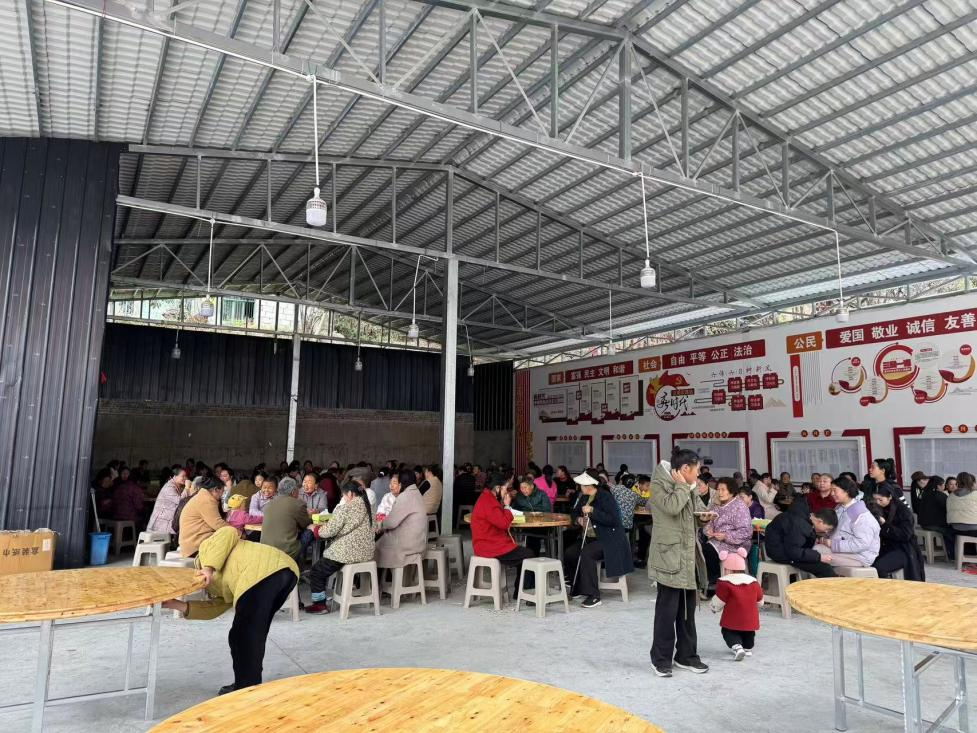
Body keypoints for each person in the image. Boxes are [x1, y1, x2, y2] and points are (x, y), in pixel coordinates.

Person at [162, 527, 297, 695]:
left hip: (261, 572)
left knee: (243, 637)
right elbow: (216, 607)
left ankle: (245, 689)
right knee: (250, 634)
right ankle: (248, 684)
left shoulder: (205, 551)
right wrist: (175, 604)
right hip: (285, 572)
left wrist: (208, 568)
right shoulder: (216, 583)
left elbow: (228, 531)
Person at [648, 448, 710, 678]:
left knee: (687, 610)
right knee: (667, 611)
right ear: (685, 468)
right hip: (669, 556)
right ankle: (660, 659)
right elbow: (672, 507)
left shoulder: (688, 486)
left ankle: (686, 655)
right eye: (697, 470)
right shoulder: (659, 484)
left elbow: (694, 512)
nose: (699, 475)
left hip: (687, 554)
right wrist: (683, 487)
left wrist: (704, 518)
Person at [564, 471, 633, 608]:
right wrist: (578, 519)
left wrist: (593, 511)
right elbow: (574, 512)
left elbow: (613, 519)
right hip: (590, 538)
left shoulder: (605, 497)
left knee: (587, 553)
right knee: (570, 553)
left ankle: (593, 595)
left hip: (609, 539)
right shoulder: (584, 497)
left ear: (589, 485)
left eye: (582, 484)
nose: (579, 486)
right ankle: (577, 586)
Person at [305, 483, 376, 614]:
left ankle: (319, 605)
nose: (344, 498)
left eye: (344, 495)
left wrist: (314, 529)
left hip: (346, 553)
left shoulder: (346, 508)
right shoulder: (369, 507)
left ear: (350, 494)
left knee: (316, 571)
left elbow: (328, 532)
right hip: (366, 553)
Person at [470, 476, 535, 599]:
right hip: (490, 546)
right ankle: (525, 594)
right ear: (497, 488)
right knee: (528, 554)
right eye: (505, 488)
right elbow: (504, 524)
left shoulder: (487, 498)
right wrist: (507, 506)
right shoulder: (489, 502)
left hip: (489, 543)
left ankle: (520, 592)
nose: (507, 492)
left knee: (525, 553)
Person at [763, 494, 837, 578]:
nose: (826, 532)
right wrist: (819, 557)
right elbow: (794, 552)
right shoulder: (799, 524)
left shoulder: (803, 516)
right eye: (827, 529)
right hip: (781, 553)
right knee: (825, 568)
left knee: (820, 562)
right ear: (820, 521)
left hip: (784, 548)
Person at [709, 548, 763, 661]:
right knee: (749, 632)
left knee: (728, 631)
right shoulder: (753, 582)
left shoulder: (725, 583)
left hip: (732, 618)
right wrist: (755, 607)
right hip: (750, 618)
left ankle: (737, 647)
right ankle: (747, 647)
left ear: (727, 569)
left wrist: (714, 608)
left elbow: (720, 600)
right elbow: (760, 600)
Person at [816, 476, 880, 568]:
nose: (832, 493)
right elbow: (836, 530)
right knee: (813, 549)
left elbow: (862, 543)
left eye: (835, 490)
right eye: (831, 490)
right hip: (845, 551)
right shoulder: (840, 507)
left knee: (817, 554)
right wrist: (823, 537)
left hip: (860, 557)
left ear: (846, 491)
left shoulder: (859, 513)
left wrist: (832, 544)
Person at [375, 472, 428, 580]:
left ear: (401, 483)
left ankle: (379, 583)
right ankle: (389, 580)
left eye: (397, 483)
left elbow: (391, 522)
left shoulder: (405, 496)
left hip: (407, 545)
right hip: (418, 541)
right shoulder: (416, 493)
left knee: (374, 548)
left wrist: (380, 524)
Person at [702, 477, 753, 585]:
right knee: (699, 548)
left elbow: (746, 531)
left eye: (723, 490)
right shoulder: (716, 506)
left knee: (708, 550)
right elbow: (708, 523)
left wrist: (726, 536)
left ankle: (714, 583)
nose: (719, 493)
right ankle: (706, 581)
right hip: (716, 541)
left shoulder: (740, 506)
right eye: (718, 490)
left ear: (731, 491)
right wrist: (708, 530)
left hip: (736, 544)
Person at [872, 485, 925, 581]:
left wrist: (885, 525)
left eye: (880, 499)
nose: (877, 502)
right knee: (868, 564)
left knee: (878, 567)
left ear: (890, 497)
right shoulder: (878, 508)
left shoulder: (903, 511)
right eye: (875, 499)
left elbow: (905, 535)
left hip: (903, 549)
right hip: (886, 547)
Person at [260, 477, 312, 561]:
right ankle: (299, 564)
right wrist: (310, 516)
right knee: (310, 532)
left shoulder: (269, 504)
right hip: (287, 552)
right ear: (293, 491)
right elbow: (305, 524)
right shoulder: (297, 504)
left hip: (266, 551)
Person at [179, 477, 229, 558]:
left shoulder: (203, 496)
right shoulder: (206, 500)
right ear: (216, 490)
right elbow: (218, 524)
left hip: (193, 543)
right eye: (222, 492)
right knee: (231, 544)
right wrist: (238, 533)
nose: (222, 495)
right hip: (195, 547)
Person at [918, 475, 955, 561]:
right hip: (933, 525)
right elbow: (949, 509)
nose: (944, 487)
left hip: (924, 524)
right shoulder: (940, 495)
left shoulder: (924, 493)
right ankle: (952, 555)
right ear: (938, 486)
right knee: (951, 531)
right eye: (943, 485)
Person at [513, 476, 552, 556]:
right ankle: (528, 557)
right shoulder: (519, 496)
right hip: (525, 523)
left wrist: (538, 514)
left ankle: (532, 557)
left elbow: (547, 511)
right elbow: (514, 510)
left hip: (541, 524)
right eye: (521, 488)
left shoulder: (542, 494)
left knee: (533, 535)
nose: (523, 490)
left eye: (525, 487)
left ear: (532, 486)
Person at [147, 467, 186, 535]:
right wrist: (187, 489)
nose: (185, 478)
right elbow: (180, 501)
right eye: (183, 476)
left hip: (166, 521)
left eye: (185, 476)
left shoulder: (176, 486)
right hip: (160, 524)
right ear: (175, 476)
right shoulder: (169, 487)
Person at [947, 471, 977, 536]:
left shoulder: (950, 496)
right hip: (974, 529)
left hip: (955, 529)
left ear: (957, 482)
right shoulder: (975, 494)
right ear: (970, 481)